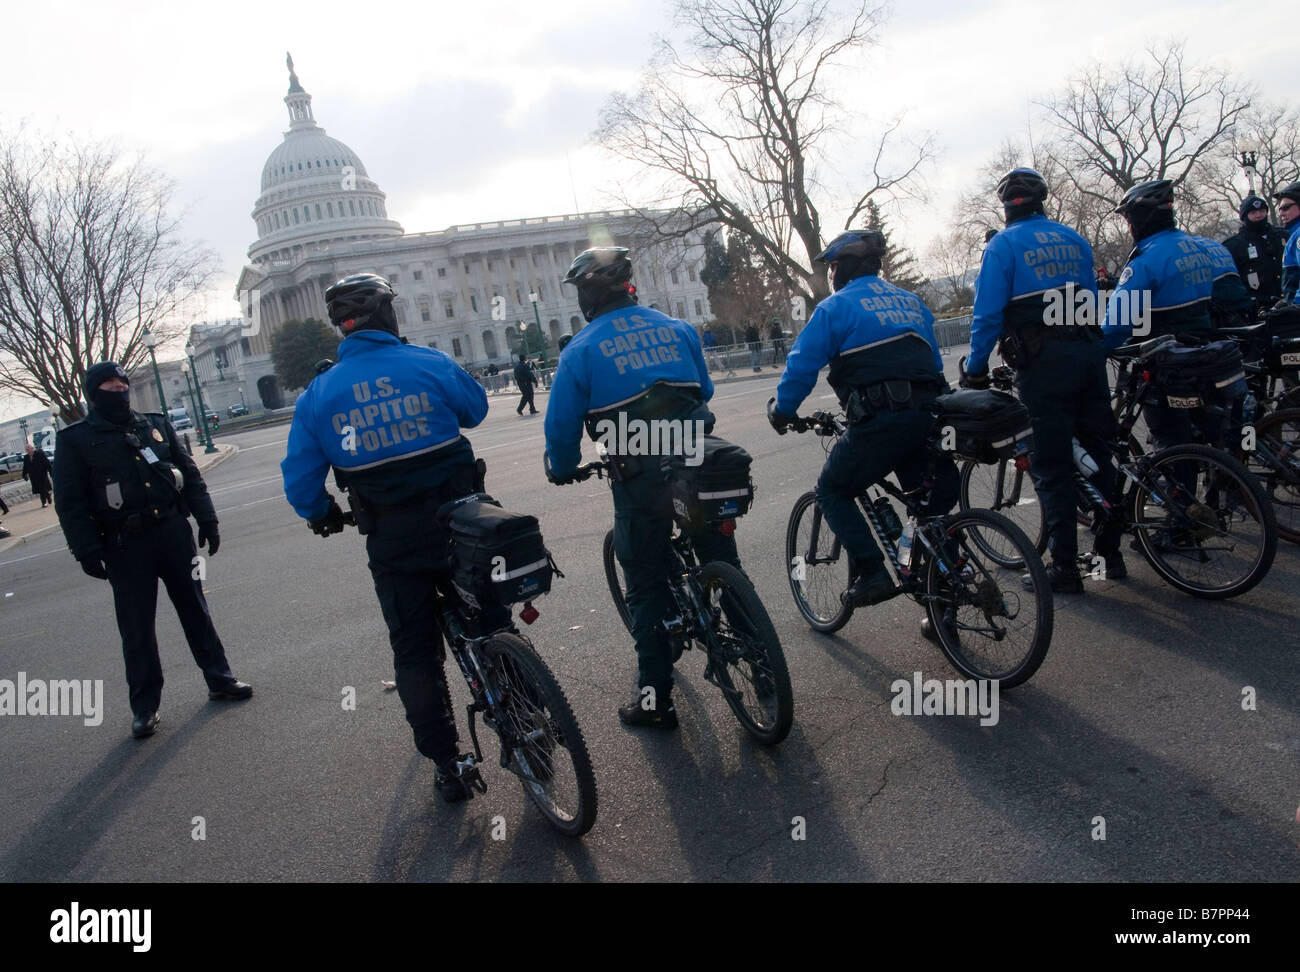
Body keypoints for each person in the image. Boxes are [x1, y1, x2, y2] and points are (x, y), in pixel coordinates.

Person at [281, 273, 503, 802]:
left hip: (394, 538)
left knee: (415, 652)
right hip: (463, 519)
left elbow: (301, 481)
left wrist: (321, 514)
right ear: (389, 317)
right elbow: (476, 410)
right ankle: (526, 704)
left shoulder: (319, 395)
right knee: (492, 619)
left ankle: (449, 764)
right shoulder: (428, 362)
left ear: (342, 328)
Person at [544, 247, 744, 730]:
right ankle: (760, 668)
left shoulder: (581, 350)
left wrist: (563, 467)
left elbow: (562, 430)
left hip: (640, 477)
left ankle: (655, 701)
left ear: (587, 297)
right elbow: (705, 390)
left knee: (646, 584)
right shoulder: (677, 328)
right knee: (723, 560)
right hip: (699, 459)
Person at [53, 362, 250, 740]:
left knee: (196, 610)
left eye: (122, 384)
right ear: (94, 393)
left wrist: (207, 519)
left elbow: (188, 472)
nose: (119, 390)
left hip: (173, 533)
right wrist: (86, 549)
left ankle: (220, 677)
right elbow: (70, 501)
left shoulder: (153, 424)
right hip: (125, 545)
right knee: (137, 628)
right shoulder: (76, 439)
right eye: (110, 386)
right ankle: (145, 706)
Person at [768, 229, 959, 609]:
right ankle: (947, 603)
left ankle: (872, 572)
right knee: (930, 515)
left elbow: (802, 365)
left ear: (844, 267)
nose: (831, 274)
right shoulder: (911, 301)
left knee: (832, 490)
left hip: (883, 422)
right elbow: (933, 364)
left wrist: (783, 410)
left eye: (833, 266)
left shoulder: (835, 308)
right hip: (932, 416)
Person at [966, 167, 1125, 592]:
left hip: (1043, 362)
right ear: (1041, 202)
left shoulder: (1003, 245)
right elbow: (1091, 297)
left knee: (1051, 465)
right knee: (1097, 453)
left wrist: (975, 367)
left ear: (1006, 207)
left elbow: (987, 314)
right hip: (1087, 352)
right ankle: (1112, 556)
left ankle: (1065, 569)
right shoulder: (1073, 239)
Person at [1102, 180, 1252, 451]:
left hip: (1167, 364)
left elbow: (1116, 325)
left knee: (1170, 439)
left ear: (1140, 219)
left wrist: (1093, 350)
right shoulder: (1197, 248)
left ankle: (1178, 491)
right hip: (1202, 352)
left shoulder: (1145, 262)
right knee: (1211, 430)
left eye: (1128, 219)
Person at [1222, 195, 1289, 317]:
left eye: (1262, 211)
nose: (1259, 215)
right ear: (1244, 216)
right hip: (1257, 309)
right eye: (1253, 212)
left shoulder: (1283, 236)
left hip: (1288, 302)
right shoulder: (1233, 246)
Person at [1273, 181, 1300, 305]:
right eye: (1279, 209)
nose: (1281, 213)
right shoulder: (1294, 234)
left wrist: (1295, 304)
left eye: (1286, 207)